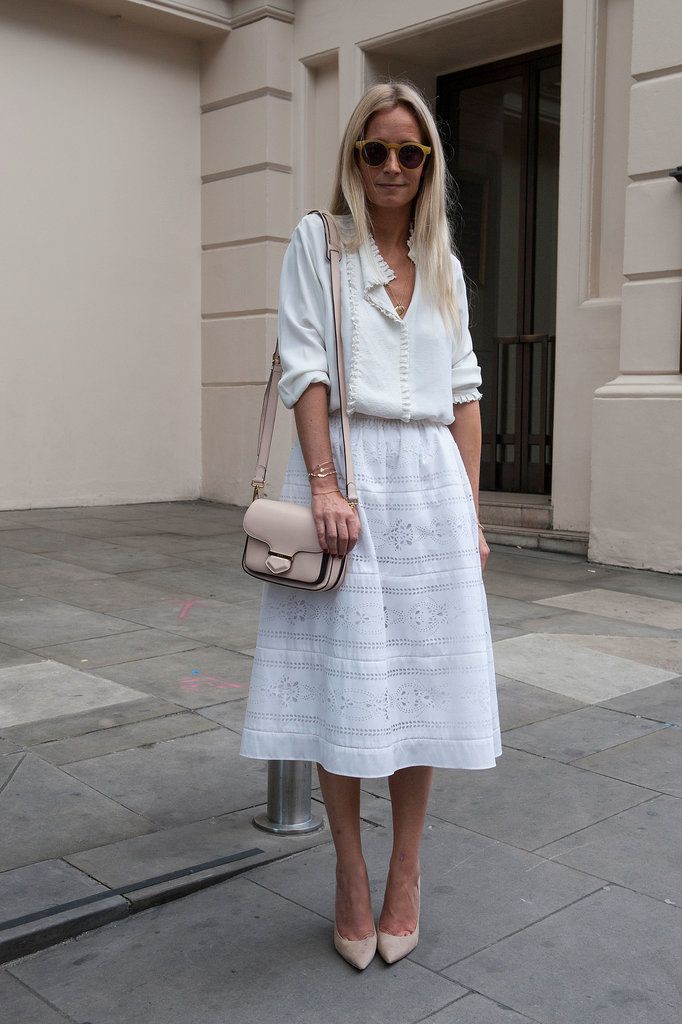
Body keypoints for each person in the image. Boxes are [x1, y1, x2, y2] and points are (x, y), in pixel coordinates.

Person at [239, 80, 502, 969]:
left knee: (420, 689)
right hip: (347, 476)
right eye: (376, 150)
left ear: (429, 165)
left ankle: (406, 874)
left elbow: (464, 393)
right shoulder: (319, 243)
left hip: (429, 481)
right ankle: (350, 872)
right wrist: (323, 484)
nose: (393, 166)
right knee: (343, 688)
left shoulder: (445, 264)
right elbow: (305, 369)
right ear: (354, 158)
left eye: (410, 153)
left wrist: (470, 512)